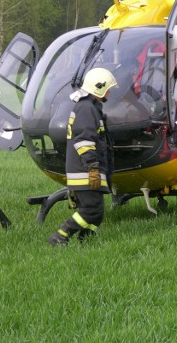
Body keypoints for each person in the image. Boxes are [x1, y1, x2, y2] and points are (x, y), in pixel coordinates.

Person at [48, 67, 117, 246]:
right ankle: (61, 235)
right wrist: (93, 167)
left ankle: (85, 240)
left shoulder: (89, 107)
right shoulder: (86, 109)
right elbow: (84, 140)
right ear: (98, 88)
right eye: (108, 88)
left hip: (86, 169)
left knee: (98, 212)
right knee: (91, 210)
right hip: (85, 170)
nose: (110, 91)